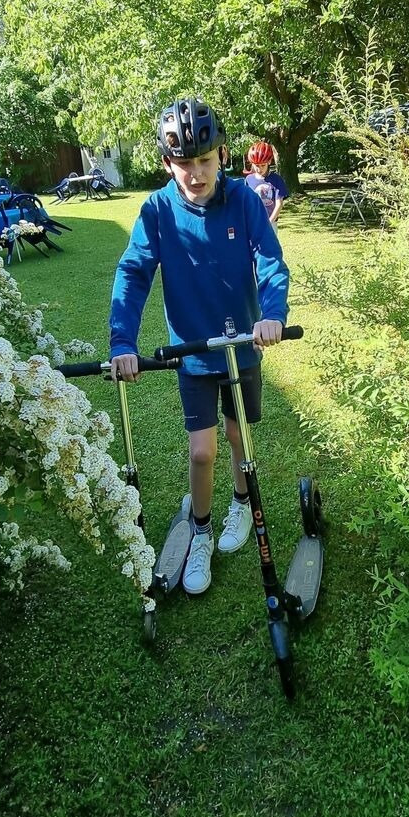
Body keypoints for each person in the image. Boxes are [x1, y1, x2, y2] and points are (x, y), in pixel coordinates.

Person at [109, 98, 290, 597]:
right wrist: (123, 340)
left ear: (223, 155)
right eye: (184, 162)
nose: (195, 172)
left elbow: (270, 261)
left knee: (237, 438)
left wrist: (273, 314)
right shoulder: (158, 210)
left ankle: (238, 505)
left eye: (204, 159)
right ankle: (202, 532)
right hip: (192, 351)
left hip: (243, 345)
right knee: (202, 450)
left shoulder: (245, 200)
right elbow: (133, 272)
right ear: (167, 163)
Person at [245, 141, 289, 226]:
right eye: (257, 165)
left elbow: (279, 204)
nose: (259, 169)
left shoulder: (276, 180)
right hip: (253, 222)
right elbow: (247, 202)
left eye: (263, 165)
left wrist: (269, 222)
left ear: (269, 162)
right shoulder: (248, 179)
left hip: (270, 222)